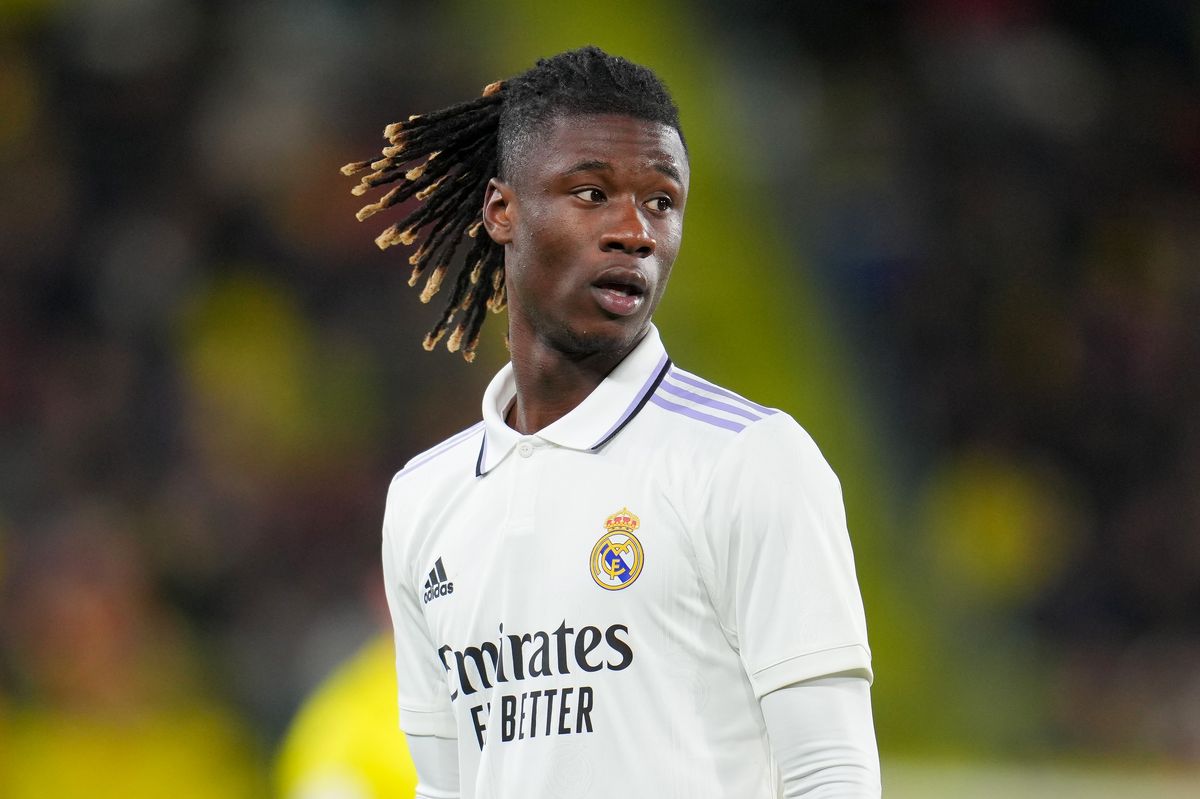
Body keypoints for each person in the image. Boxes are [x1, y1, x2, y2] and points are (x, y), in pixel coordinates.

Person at [344, 46, 880, 798]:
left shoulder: (751, 460)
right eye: (592, 193)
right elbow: (446, 784)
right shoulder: (424, 499)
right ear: (503, 210)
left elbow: (832, 772)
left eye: (662, 201)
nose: (637, 230)